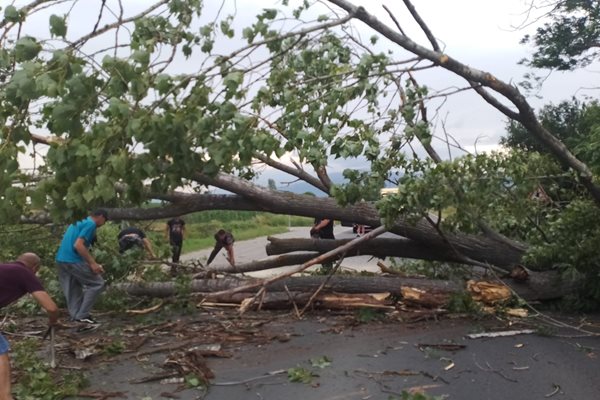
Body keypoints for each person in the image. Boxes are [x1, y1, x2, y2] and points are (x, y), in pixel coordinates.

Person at [1, 253, 59, 400]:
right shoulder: (25, 272)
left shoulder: (7, 268)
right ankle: (4, 396)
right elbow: (51, 307)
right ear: (35, 268)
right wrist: (53, 321)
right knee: (1, 353)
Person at [55, 209, 108, 326]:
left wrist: (90, 262)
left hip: (61, 259)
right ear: (101, 217)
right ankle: (83, 315)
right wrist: (93, 264)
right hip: (73, 260)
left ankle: (76, 318)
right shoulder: (91, 224)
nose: (103, 224)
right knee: (97, 283)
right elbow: (78, 245)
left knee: (73, 289)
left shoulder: (79, 221)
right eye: (105, 221)